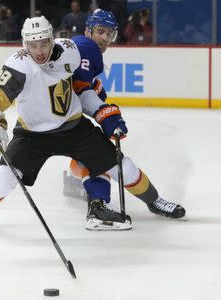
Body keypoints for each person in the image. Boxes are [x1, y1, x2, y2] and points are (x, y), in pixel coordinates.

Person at [0, 16, 132, 230]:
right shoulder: (20, 65)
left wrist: (98, 101)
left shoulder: (70, 52)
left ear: (52, 40)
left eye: (44, 43)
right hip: (32, 133)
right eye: (33, 45)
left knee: (98, 158)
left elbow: (82, 83)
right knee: (3, 176)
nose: (40, 50)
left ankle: (91, 199)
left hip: (71, 125)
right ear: (25, 45)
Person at [62, 9, 185, 229]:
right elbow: (81, 91)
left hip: (57, 123)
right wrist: (105, 113)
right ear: (88, 30)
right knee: (111, 162)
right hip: (59, 123)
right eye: (101, 32)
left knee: (94, 160)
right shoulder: (86, 46)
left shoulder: (79, 48)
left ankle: (78, 186)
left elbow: (80, 88)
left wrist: (99, 103)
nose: (105, 39)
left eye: (110, 34)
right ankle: (153, 201)